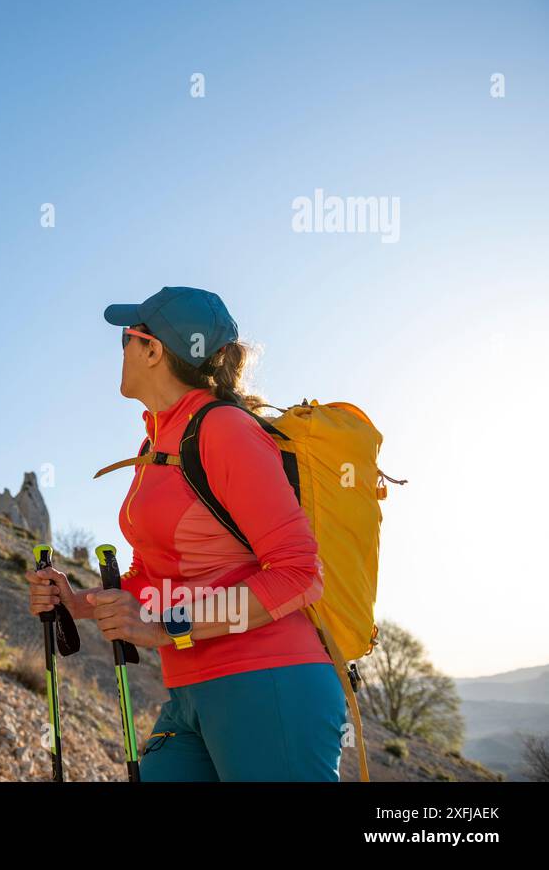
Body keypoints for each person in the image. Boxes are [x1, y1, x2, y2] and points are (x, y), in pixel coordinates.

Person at [27, 286, 346, 781]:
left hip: (270, 683)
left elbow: (298, 574)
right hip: (190, 692)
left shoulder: (224, 430)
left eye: (127, 338)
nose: (121, 350)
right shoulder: (156, 442)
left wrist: (168, 626)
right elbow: (148, 577)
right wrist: (77, 603)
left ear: (153, 350)